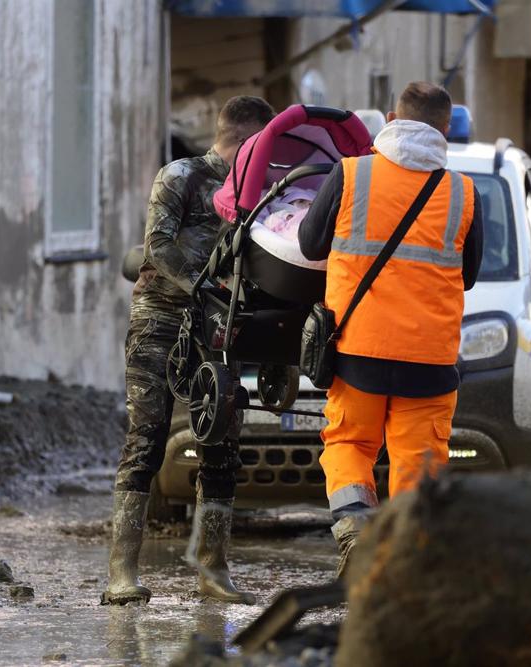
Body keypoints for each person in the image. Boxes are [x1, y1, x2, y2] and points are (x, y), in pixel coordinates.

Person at [298, 82, 483, 576]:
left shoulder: (351, 175)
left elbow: (309, 245)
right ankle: (403, 570)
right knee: (418, 465)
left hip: (358, 350)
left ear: (389, 118)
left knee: (349, 445)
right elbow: (469, 274)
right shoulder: (464, 193)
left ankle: (357, 529)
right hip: (430, 361)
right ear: (445, 130)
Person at [102, 96, 275, 606]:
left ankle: (213, 568)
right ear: (247, 142)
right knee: (148, 436)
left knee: (222, 446)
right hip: (161, 319)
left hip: (221, 329)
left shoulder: (260, 192)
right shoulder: (180, 176)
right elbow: (158, 246)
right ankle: (122, 572)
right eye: (264, 146)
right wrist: (205, 287)